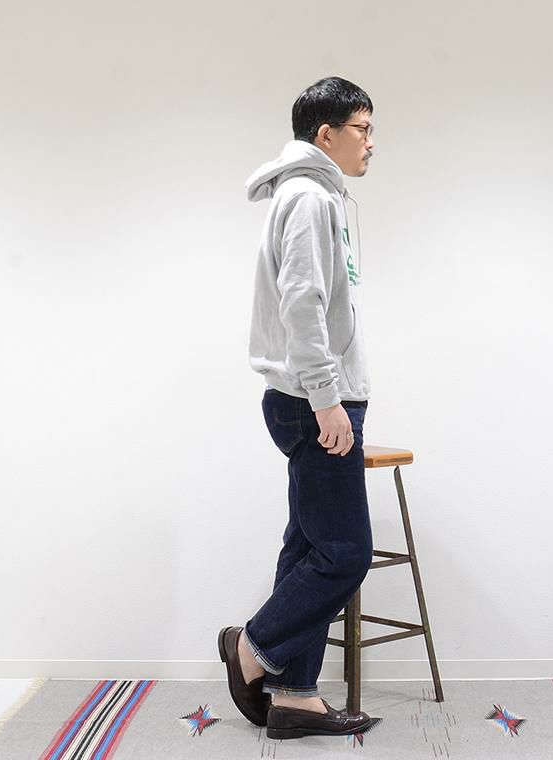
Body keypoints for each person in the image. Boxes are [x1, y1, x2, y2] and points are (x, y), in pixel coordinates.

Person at [218, 76, 379, 740]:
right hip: (313, 400)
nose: (371, 142)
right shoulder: (310, 198)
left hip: (302, 397)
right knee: (346, 552)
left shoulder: (308, 196)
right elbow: (302, 304)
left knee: (311, 544)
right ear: (326, 134)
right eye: (362, 128)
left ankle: (295, 698)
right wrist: (327, 399)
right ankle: (251, 649)